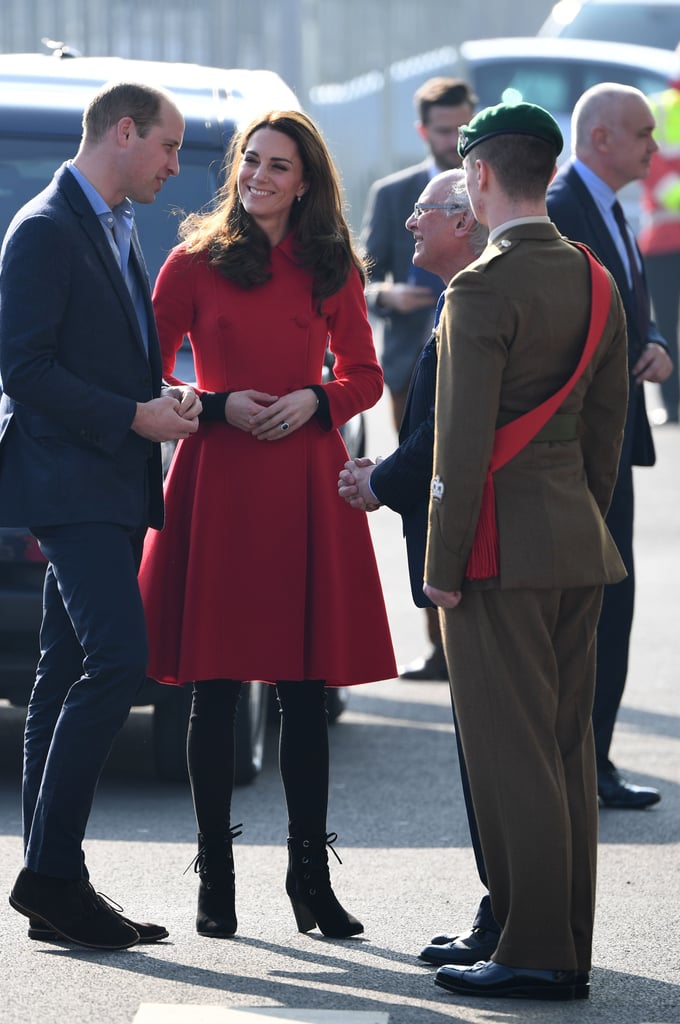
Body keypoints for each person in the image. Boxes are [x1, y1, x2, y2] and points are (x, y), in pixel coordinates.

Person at [137, 109, 397, 940]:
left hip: (302, 484)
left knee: (302, 689)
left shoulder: (330, 267)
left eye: (279, 165)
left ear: (306, 180)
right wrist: (212, 404)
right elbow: (144, 364)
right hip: (216, 481)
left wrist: (318, 397)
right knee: (212, 692)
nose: (259, 176)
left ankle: (308, 880)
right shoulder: (194, 260)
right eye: (252, 161)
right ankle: (216, 879)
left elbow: (366, 374)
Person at [0, 81, 200, 950]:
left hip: (107, 480)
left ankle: (52, 883)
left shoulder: (113, 223)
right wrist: (131, 416)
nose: (176, 168)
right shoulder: (43, 227)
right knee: (119, 660)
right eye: (170, 148)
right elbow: (24, 372)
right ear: (125, 132)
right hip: (70, 485)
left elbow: (101, 352)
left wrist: (161, 395)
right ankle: (54, 878)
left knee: (63, 675)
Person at [424, 101, 629, 1000]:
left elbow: (460, 447)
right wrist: (580, 514)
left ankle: (537, 949)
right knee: (564, 750)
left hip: (499, 549)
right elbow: (608, 429)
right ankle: (547, 935)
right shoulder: (595, 276)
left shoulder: (480, 287)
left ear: (476, 178)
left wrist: (441, 565)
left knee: (512, 753)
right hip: (578, 539)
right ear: (549, 171)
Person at [338, 168, 500, 966]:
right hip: (477, 549)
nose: (408, 224)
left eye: (424, 213)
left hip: (477, 557)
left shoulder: (474, 297)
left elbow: (447, 435)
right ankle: (501, 911)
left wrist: (378, 482)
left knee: (495, 754)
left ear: (465, 221)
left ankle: (509, 920)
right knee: (488, 752)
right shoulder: (461, 293)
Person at [548, 83, 673, 809]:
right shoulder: (564, 208)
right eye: (643, 135)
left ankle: (596, 760)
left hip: (613, 443)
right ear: (600, 139)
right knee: (589, 608)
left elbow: (630, 303)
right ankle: (579, 765)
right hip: (579, 450)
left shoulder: (609, 204)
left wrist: (653, 340)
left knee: (613, 603)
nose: (656, 149)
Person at [360, 76, 477, 683]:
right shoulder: (395, 194)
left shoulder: (489, 190)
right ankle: (439, 642)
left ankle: (460, 631)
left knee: (447, 478)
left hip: (471, 355)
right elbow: (361, 277)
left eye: (464, 127)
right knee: (425, 485)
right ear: (421, 130)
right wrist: (388, 295)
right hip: (411, 362)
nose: (453, 139)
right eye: (442, 129)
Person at [639, 50, 680, 426]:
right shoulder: (663, 109)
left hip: (664, 239)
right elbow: (655, 173)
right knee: (666, 324)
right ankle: (672, 402)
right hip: (665, 240)